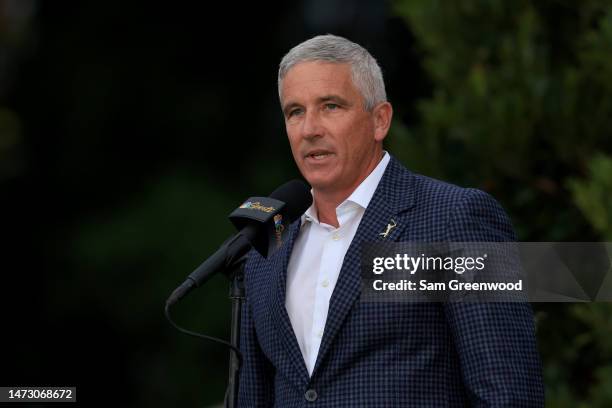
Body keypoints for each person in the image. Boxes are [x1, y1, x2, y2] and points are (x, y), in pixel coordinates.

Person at [238, 34, 544, 407]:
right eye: (295, 112)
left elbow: (509, 393)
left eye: (331, 106)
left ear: (379, 120)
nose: (309, 129)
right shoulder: (267, 245)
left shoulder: (456, 217)